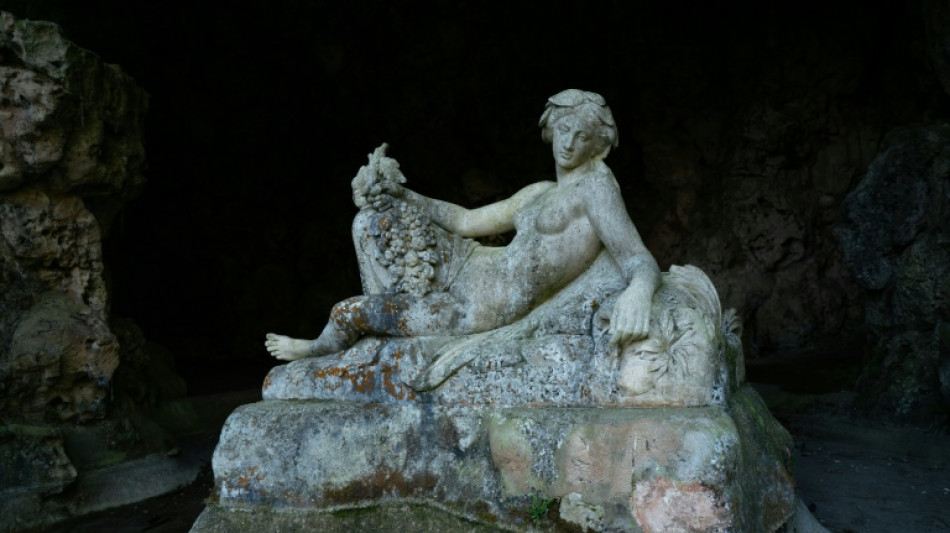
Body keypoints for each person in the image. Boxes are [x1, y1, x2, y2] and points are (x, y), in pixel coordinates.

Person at [265, 89, 660, 361]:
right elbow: (465, 220)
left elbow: (637, 257)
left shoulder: (596, 187)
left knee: (346, 313)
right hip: (469, 262)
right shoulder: (538, 192)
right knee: (372, 220)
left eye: (582, 135)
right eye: (563, 129)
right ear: (550, 129)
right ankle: (382, 328)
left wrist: (639, 292)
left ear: (597, 144)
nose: (569, 142)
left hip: (477, 306)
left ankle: (325, 346)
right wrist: (404, 194)